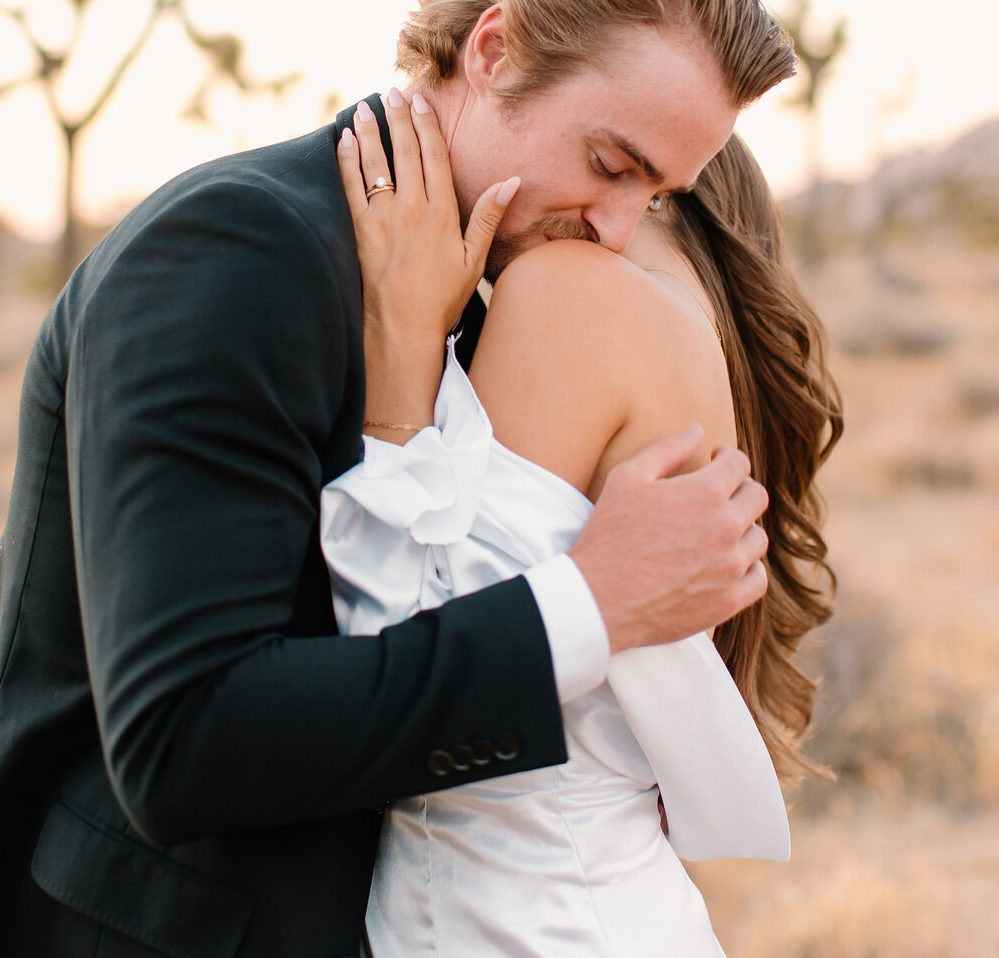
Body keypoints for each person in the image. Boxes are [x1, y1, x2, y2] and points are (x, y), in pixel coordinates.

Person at [0, 0, 795, 958]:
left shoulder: (495, 281)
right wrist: (589, 604)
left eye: (656, 194)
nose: (617, 227)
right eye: (612, 164)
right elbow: (182, 738)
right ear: (494, 47)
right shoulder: (233, 252)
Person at [322, 95, 842, 955]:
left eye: (615, 170)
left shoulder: (573, 294)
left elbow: (401, 662)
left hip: (505, 918)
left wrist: (402, 357)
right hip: (613, 900)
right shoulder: (698, 344)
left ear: (662, 192)